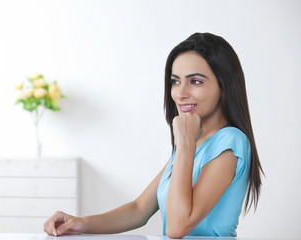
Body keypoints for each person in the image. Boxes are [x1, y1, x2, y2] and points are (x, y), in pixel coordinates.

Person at [43, 32, 263, 238]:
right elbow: (139, 209)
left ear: (224, 86)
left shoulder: (230, 143)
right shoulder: (191, 145)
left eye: (195, 81)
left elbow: (178, 227)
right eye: (175, 81)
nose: (181, 93)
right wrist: (80, 222)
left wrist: (185, 144)